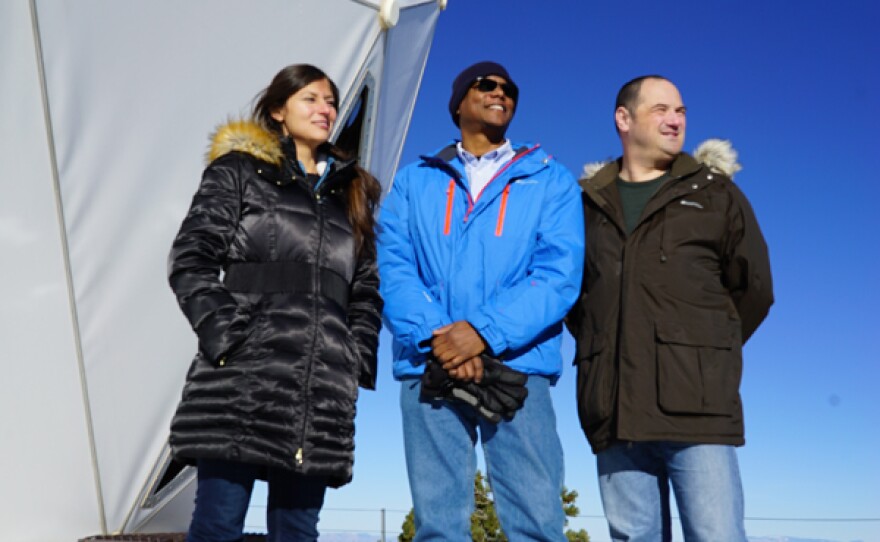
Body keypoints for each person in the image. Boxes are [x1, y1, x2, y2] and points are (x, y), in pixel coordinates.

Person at [167, 64, 383, 542]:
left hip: (320, 388)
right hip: (242, 376)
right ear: (277, 112)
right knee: (217, 526)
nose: (325, 109)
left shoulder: (354, 194)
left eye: (330, 101)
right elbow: (191, 258)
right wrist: (229, 337)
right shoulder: (239, 171)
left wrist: (355, 356)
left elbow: (365, 291)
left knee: (297, 533)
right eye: (310, 98)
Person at [378, 61, 584, 541]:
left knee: (537, 519)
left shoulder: (550, 180)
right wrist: (443, 340)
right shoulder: (413, 181)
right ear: (457, 103)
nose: (501, 93)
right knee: (438, 525)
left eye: (509, 88)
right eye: (485, 84)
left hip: (517, 367)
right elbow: (394, 268)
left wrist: (482, 334)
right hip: (431, 365)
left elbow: (557, 275)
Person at [568, 75, 774, 542]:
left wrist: (701, 352)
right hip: (613, 409)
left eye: (680, 111)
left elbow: (754, 289)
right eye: (661, 109)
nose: (676, 119)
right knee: (633, 537)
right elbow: (576, 300)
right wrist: (608, 348)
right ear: (624, 119)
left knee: (715, 535)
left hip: (696, 409)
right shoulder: (586, 204)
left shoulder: (715, 194)